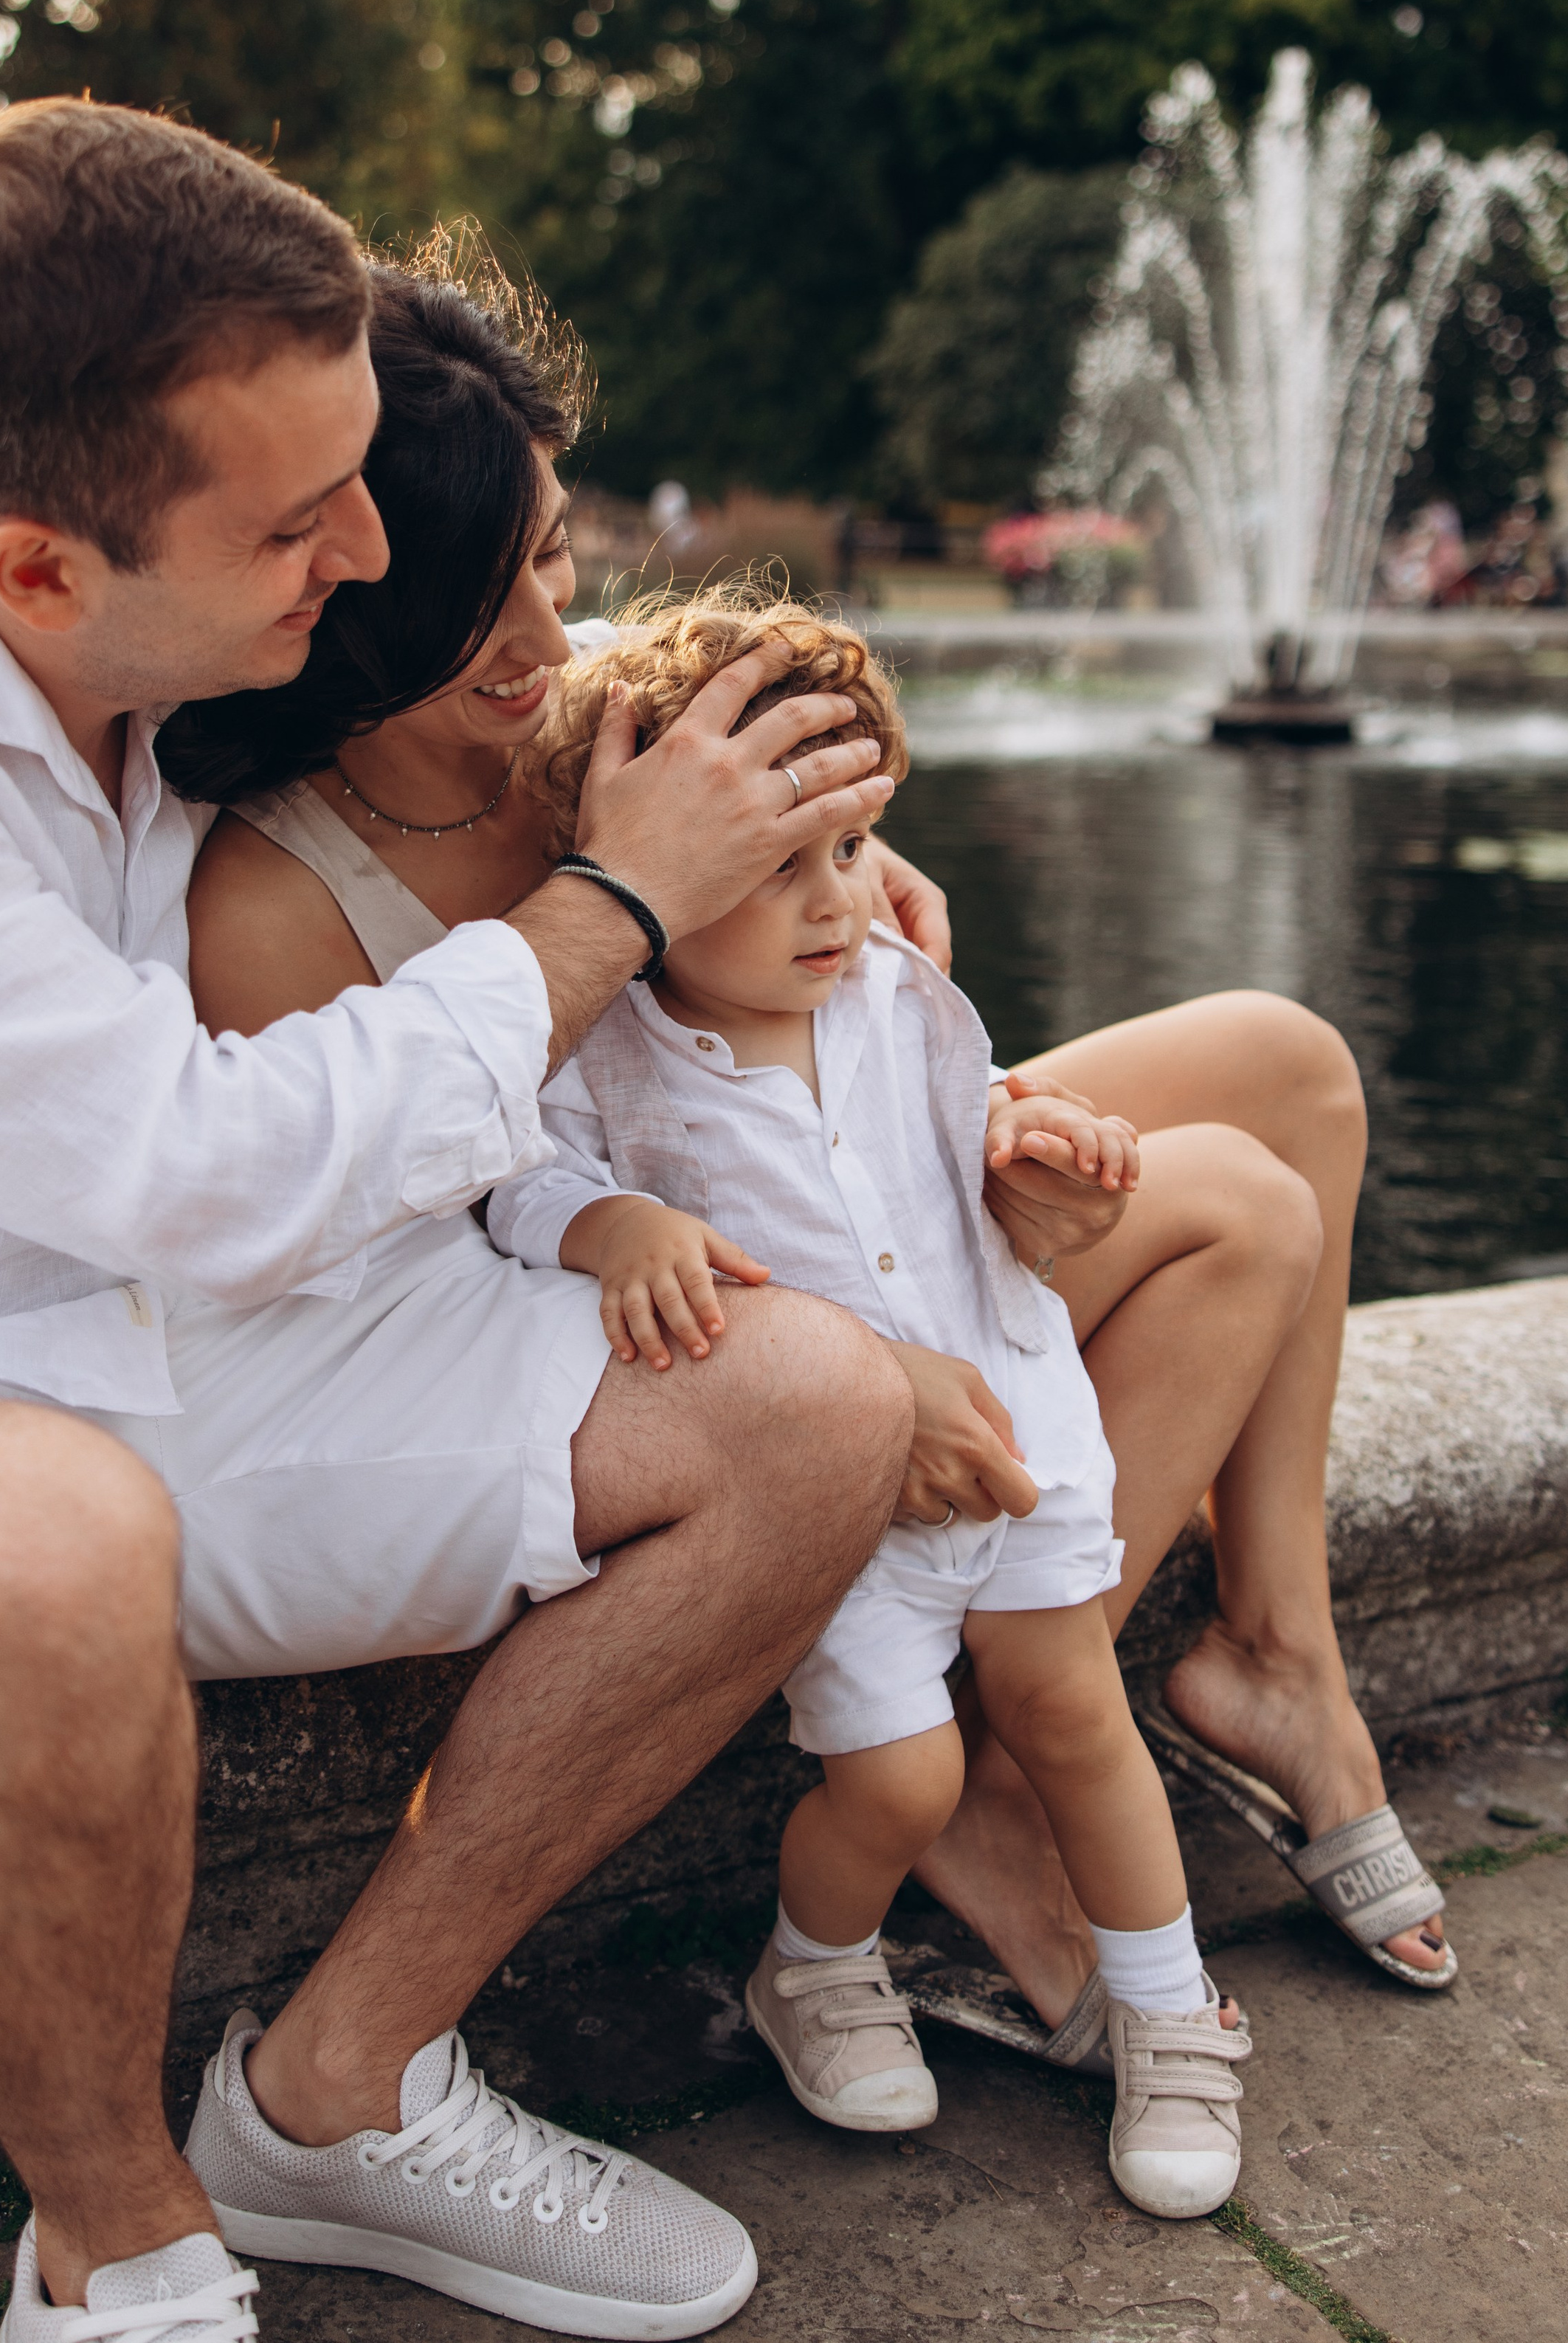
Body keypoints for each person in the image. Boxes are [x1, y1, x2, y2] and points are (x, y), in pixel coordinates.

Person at [0, 103, 995, 2343]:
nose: (360, 544)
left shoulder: (161, 589)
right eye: (300, 518)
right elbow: (211, 1165)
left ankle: (337, 2093)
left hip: (211, 1339)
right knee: (32, 1545)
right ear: (42, 567)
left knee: (803, 1402)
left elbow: (502, 626)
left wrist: (801, 826)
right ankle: (122, 2247)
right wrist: (626, 903)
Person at [182, 238, 1454, 2014]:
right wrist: (848, 1364)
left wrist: (835, 869)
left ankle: (1268, 1653)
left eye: (556, 553)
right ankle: (1006, 1762)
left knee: (1288, 1067)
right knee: (1229, 1203)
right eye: (491, 595)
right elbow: (429, 1293)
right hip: (658, 1289)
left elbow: (828, 906)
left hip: (789, 1149)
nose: (560, 638)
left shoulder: (617, 690)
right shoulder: (274, 905)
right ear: (348, 591)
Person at [484, 596, 1256, 2220]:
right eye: (774, 869)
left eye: (847, 849)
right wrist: (607, 1222)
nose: (834, 902)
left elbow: (969, 1134)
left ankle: (1169, 2009)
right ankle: (812, 1963)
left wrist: (1038, 1157)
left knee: (1072, 1711)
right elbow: (514, 1174)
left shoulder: (896, 988)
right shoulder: (610, 1049)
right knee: (896, 1782)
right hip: (839, 1502)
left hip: (1010, 1412)